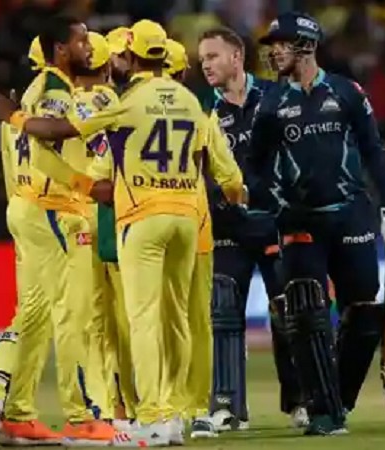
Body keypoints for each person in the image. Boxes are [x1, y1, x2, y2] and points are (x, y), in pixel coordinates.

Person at [0, 19, 245, 447]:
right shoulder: (191, 101)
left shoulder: (128, 101)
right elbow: (226, 173)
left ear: (135, 57)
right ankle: (179, 413)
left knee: (141, 319)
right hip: (188, 217)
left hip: (142, 216)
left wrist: (12, 116)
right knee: (179, 319)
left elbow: (61, 131)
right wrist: (239, 197)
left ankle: (153, 415)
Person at [251, 13, 385, 435]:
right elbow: (255, 168)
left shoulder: (345, 92)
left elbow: (374, 152)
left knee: (365, 311)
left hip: (350, 214)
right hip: (299, 220)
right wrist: (273, 204)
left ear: (306, 45)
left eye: (281, 43)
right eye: (272, 45)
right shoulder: (271, 103)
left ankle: (336, 400)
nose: (274, 52)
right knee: (306, 307)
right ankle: (322, 411)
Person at [0, 17, 122, 446]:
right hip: (54, 210)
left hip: (29, 207)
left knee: (37, 313)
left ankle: (17, 412)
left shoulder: (40, 88)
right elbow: (47, 145)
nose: (88, 47)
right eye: (81, 41)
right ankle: (82, 416)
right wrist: (87, 186)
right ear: (60, 48)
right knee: (72, 314)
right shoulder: (56, 89)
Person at [197, 26, 306, 430]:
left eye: (212, 56)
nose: (205, 65)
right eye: (202, 59)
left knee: (290, 312)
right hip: (227, 227)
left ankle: (301, 401)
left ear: (237, 57)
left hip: (275, 223)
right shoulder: (201, 109)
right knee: (224, 312)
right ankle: (227, 407)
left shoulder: (275, 97)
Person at [74, 31, 139, 430]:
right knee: (127, 318)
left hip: (74, 217)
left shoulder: (54, 105)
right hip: (111, 213)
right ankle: (131, 405)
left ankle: (101, 405)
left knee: (91, 320)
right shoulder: (118, 104)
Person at [163, 37, 218, 439]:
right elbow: (224, 168)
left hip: (146, 224)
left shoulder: (132, 106)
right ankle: (196, 408)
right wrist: (235, 189)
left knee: (158, 320)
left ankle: (163, 407)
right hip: (194, 224)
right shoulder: (197, 111)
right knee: (197, 321)